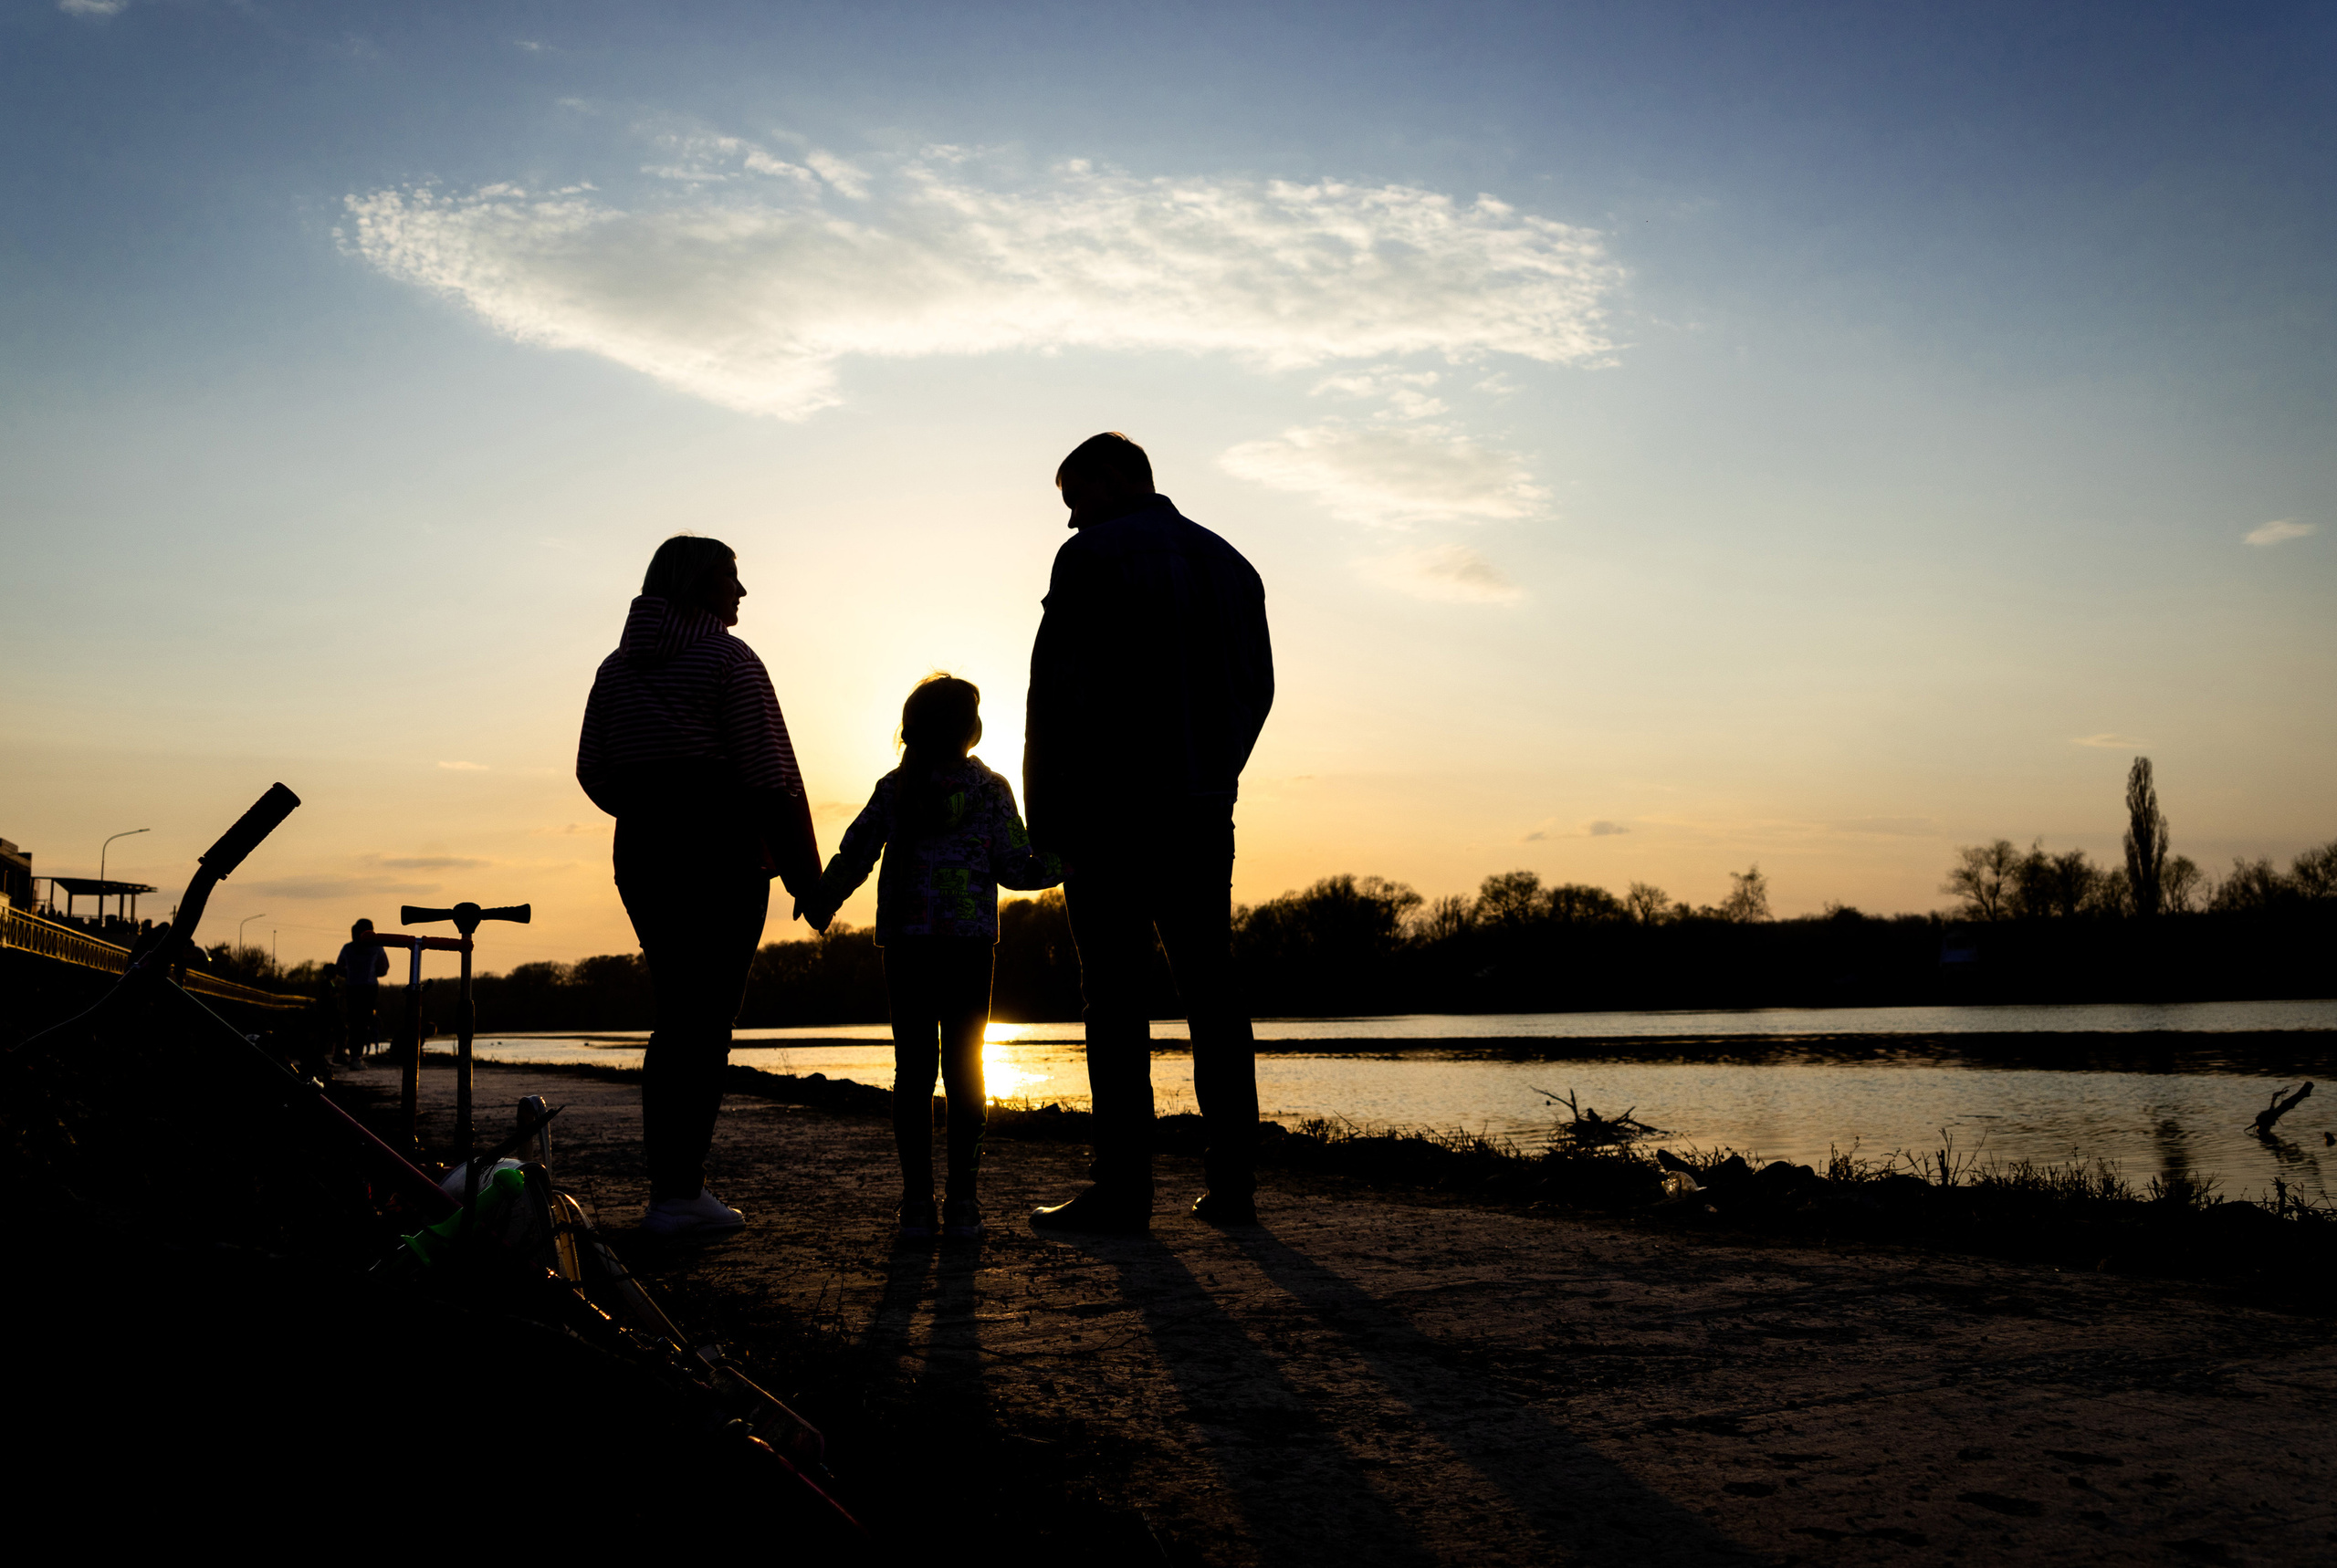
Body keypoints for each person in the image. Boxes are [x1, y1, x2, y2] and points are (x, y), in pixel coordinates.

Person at [1022, 433, 1274, 1233]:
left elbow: (1060, 689)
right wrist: (1215, 769)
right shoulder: (1232, 563)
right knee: (1213, 989)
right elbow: (1257, 688)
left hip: (1109, 808)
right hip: (1203, 807)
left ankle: (1123, 1188)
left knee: (1116, 999)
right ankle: (1233, 1184)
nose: (1069, 520)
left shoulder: (1092, 556)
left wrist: (1046, 814)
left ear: (1108, 478)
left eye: (1073, 499)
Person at [577, 535, 822, 1239]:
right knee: (706, 1019)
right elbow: (767, 776)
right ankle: (678, 1193)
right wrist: (806, 875)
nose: (740, 593)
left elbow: (594, 770)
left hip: (645, 853)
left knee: (677, 1011)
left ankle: (674, 1187)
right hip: (720, 853)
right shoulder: (728, 659)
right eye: (729, 578)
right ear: (694, 586)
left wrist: (652, 806)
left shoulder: (614, 669)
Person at [799, 674, 1061, 1241]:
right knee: (967, 1070)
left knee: (912, 1073)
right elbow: (1019, 869)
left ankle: (917, 1205)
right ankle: (964, 1205)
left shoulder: (894, 788)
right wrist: (1070, 859)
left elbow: (856, 852)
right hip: (967, 946)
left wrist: (821, 901)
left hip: (907, 944)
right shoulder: (991, 788)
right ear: (970, 730)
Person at [335, 919, 389, 1068]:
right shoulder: (377, 948)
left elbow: (339, 968)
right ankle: (357, 1057)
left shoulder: (347, 948)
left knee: (353, 1021)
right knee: (365, 1021)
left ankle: (352, 1054)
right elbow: (384, 969)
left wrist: (351, 973)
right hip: (369, 988)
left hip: (352, 988)